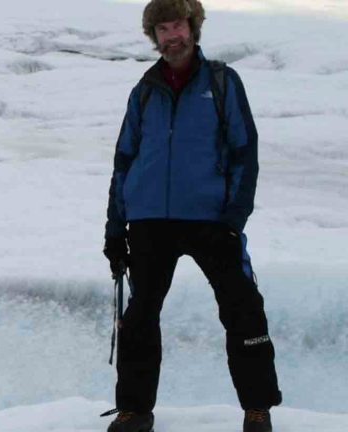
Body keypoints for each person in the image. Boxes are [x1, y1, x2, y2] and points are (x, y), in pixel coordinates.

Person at [102, 1, 282, 431]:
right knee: (140, 317)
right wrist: (114, 228)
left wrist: (234, 218)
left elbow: (244, 153)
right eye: (162, 29)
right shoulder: (144, 90)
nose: (171, 36)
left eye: (177, 25)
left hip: (211, 220)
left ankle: (257, 408)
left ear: (193, 27)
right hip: (149, 222)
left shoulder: (222, 82)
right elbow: (124, 161)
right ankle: (134, 409)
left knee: (242, 308)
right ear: (154, 37)